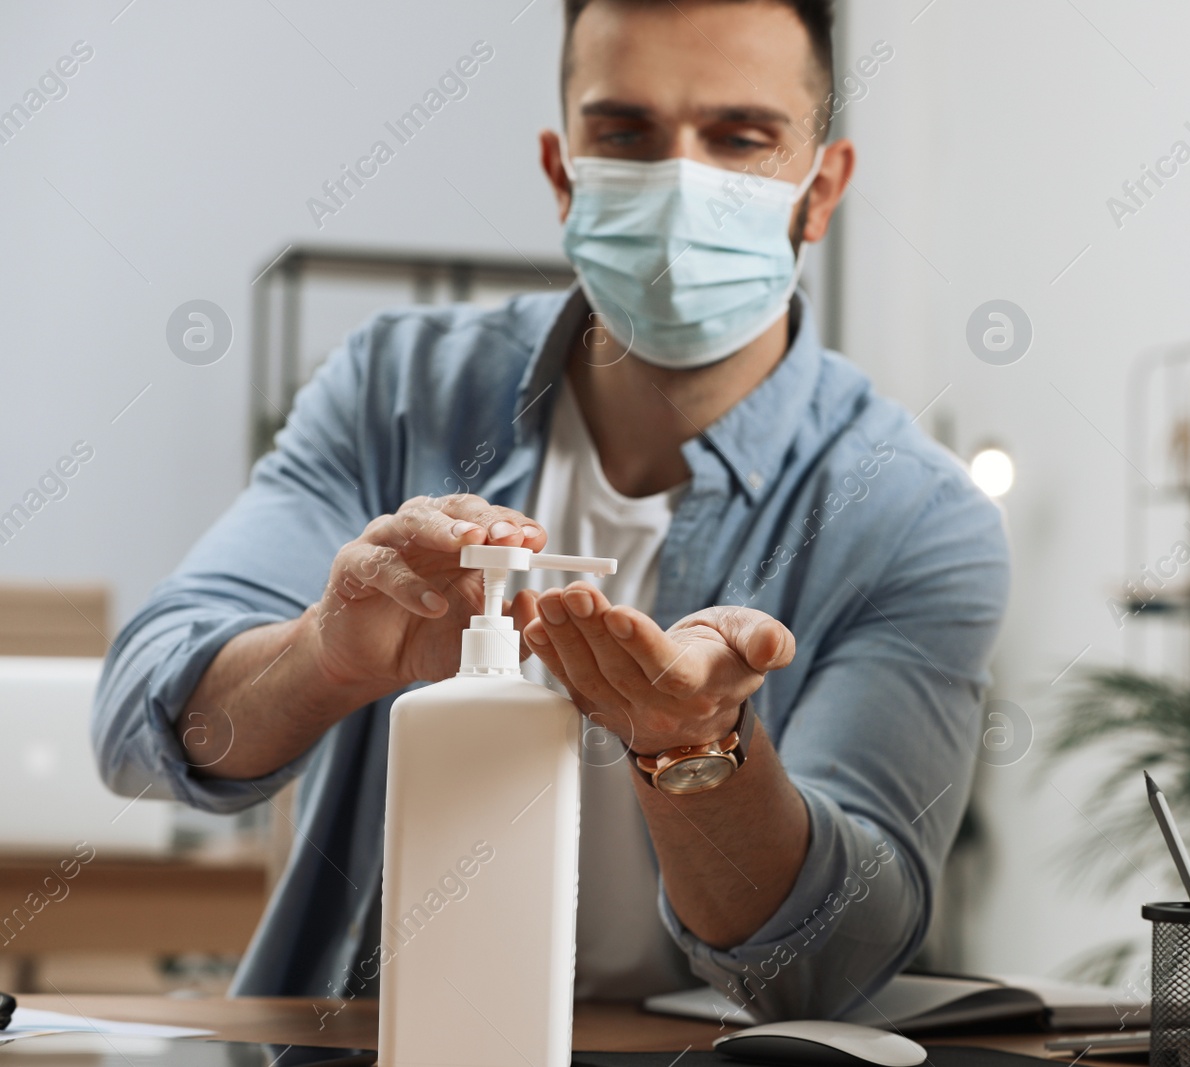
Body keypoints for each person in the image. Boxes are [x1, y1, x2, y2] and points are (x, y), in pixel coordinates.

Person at [93, 0, 1009, 1021]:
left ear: (822, 186)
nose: (679, 184)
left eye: (739, 138)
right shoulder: (395, 390)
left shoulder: (914, 516)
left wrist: (695, 747)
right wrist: (323, 658)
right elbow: (142, 723)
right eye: (626, 133)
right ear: (562, 166)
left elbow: (838, 951)